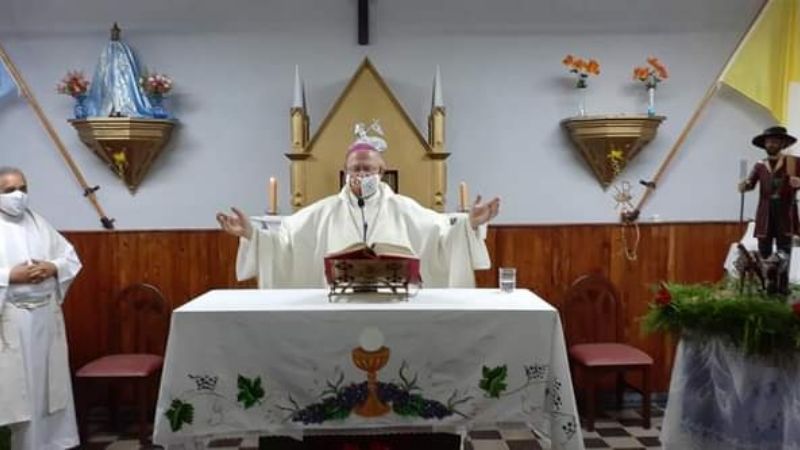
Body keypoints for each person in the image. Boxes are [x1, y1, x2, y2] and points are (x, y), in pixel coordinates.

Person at [217, 126, 500, 288]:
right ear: (345, 171)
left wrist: (469, 225)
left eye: (368, 168)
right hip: (336, 304)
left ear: (382, 170)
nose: (361, 174)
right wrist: (252, 235)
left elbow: (442, 238)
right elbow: (285, 241)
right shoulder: (323, 211)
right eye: (355, 168)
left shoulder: (405, 209)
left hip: (393, 306)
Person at [0, 166, 82, 450]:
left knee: (50, 388)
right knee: (21, 391)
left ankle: (55, 443)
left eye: (23, 188)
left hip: (46, 317)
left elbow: (69, 257)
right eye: (9, 190)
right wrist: (10, 275)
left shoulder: (37, 221)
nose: (19, 196)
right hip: (12, 320)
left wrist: (52, 267)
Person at [738, 126, 800, 290]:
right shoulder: (760, 165)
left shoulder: (793, 162)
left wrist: (798, 183)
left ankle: (783, 287)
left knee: (784, 251)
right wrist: (744, 185)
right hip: (765, 213)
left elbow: (797, 182)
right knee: (764, 249)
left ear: (782, 143)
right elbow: (750, 184)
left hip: (785, 212)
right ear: (764, 144)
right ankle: (767, 285)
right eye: (768, 141)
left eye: (774, 141)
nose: (771, 144)